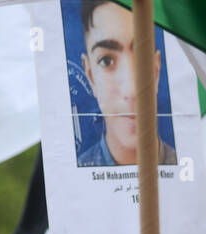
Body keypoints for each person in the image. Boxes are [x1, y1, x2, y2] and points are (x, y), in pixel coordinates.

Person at [76, 0, 177, 167]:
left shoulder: (193, 175)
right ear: (91, 76)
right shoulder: (69, 184)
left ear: (156, 71)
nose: (131, 90)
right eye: (106, 61)